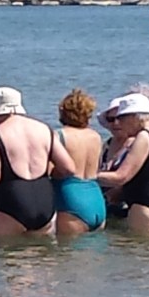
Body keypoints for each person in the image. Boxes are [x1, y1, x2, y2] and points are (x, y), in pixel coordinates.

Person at [0, 86, 77, 237]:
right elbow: (69, 168)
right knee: (39, 257)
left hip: (12, 204)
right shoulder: (45, 129)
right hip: (45, 203)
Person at [97, 93, 149, 237]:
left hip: (145, 205)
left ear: (134, 117)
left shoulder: (145, 136)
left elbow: (121, 176)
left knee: (138, 255)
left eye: (122, 119)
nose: (119, 124)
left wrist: (87, 176)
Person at [51, 89, 107, 235]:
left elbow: (50, 171)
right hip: (96, 197)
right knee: (94, 255)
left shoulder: (59, 136)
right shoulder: (96, 137)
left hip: (71, 199)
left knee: (67, 255)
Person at [97, 96, 132, 219]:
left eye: (121, 119)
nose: (116, 123)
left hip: (128, 207)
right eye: (111, 119)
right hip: (104, 206)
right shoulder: (106, 145)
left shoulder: (136, 145)